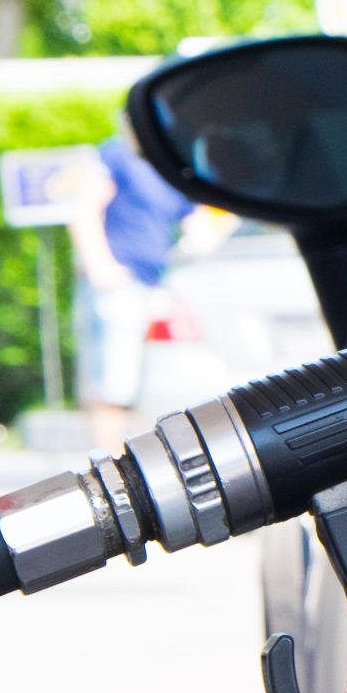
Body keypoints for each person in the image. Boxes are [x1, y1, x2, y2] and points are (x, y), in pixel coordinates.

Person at [68, 122, 225, 449]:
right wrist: (102, 268)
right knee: (113, 386)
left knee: (144, 384)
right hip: (120, 284)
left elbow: (194, 218)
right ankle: (107, 466)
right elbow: (84, 208)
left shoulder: (170, 162)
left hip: (156, 285)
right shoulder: (116, 154)